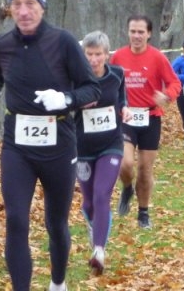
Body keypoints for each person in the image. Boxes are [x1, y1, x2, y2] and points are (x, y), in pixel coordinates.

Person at [0, 0, 101, 291]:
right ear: (10, 8)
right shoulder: (1, 45)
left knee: (56, 223)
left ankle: (58, 282)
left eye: (30, 3)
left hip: (59, 144)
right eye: (17, 4)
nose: (24, 11)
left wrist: (65, 99)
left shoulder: (63, 42)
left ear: (42, 7)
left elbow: (92, 89)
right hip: (18, 146)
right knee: (16, 219)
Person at [110, 15, 181, 229]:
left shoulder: (157, 57)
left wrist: (167, 95)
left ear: (149, 34)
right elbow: (108, 83)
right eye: (133, 31)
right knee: (125, 163)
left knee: (145, 169)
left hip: (151, 117)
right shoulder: (118, 57)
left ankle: (143, 212)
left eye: (141, 32)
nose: (137, 36)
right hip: (126, 117)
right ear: (128, 32)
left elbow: (175, 83)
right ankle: (127, 187)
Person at [76, 30, 132, 275]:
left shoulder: (117, 74)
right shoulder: (76, 78)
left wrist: (125, 109)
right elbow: (66, 106)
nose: (93, 59)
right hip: (82, 148)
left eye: (98, 54)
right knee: (89, 202)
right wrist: (78, 102)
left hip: (111, 144)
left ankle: (99, 250)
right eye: (89, 54)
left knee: (102, 195)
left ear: (107, 54)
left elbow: (121, 98)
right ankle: (94, 226)